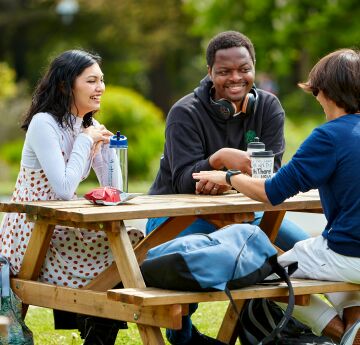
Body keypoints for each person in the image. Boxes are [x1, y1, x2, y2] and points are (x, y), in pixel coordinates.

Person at [146, 30, 310, 344]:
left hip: (247, 214)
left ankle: (327, 331)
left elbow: (272, 173)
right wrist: (221, 159)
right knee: (189, 269)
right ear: (210, 73)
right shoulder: (185, 112)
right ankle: (182, 337)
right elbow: (184, 181)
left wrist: (222, 178)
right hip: (176, 216)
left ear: (253, 69)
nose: (235, 78)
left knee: (305, 254)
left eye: (243, 69)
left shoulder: (269, 107)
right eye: (224, 72)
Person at [193, 48, 360, 345]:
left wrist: (229, 176)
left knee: (265, 276)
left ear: (323, 91)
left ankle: (342, 335)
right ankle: (355, 329)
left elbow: (272, 194)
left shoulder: (329, 136)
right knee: (341, 279)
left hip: (349, 252)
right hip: (349, 259)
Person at [0, 49, 142, 345]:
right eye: (91, 81)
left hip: (63, 225)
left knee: (133, 243)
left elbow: (113, 191)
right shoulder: (44, 124)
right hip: (34, 233)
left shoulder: (83, 126)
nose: (100, 88)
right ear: (66, 86)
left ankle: (97, 334)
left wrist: (104, 152)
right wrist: (85, 141)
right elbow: (64, 189)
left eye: (101, 80)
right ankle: (94, 329)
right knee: (122, 254)